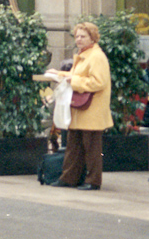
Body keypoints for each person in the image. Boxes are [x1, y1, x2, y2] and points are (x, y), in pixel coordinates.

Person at [48, 21, 112, 190]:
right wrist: (60, 74)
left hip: (92, 109)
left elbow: (99, 82)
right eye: (77, 36)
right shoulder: (86, 54)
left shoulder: (96, 56)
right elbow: (77, 75)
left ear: (92, 37)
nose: (79, 39)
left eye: (83, 36)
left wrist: (72, 80)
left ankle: (92, 181)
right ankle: (68, 178)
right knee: (73, 145)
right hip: (82, 108)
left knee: (91, 148)